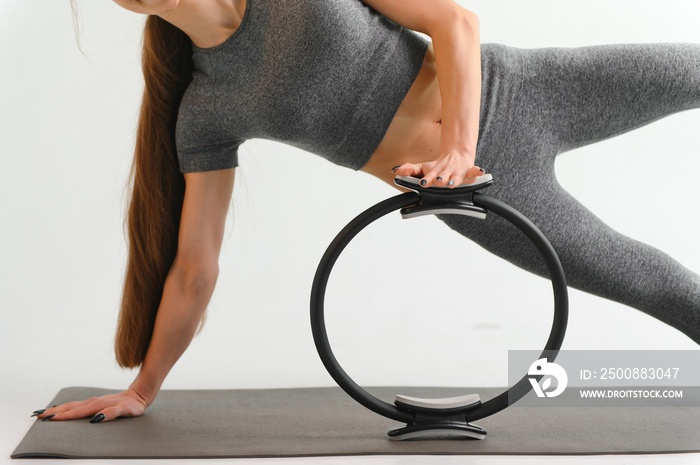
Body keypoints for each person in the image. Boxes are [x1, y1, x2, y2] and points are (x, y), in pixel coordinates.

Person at [33, 0, 700, 424]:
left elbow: (455, 21)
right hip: (490, 199)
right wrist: (143, 389)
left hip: (529, 87)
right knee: (660, 284)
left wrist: (457, 148)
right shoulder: (208, 109)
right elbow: (194, 267)